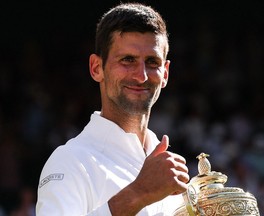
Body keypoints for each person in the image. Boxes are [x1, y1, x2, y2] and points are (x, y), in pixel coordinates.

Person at [36, 2, 190, 215]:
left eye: (152, 62)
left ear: (165, 73)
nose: (141, 75)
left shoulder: (167, 167)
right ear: (96, 68)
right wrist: (138, 193)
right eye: (128, 60)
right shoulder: (70, 161)